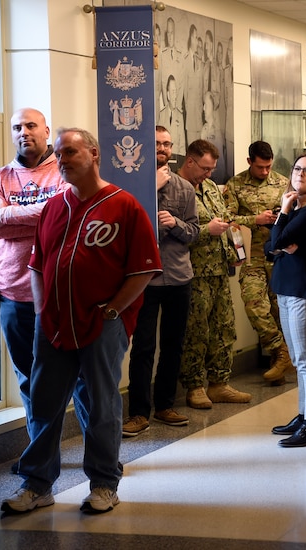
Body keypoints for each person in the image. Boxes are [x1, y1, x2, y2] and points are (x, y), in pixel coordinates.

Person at [1, 127, 162, 515]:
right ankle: (37, 484)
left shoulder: (125, 206)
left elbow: (144, 269)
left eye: (70, 151)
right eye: (59, 153)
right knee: (44, 404)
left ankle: (105, 484)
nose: (63, 160)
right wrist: (42, 312)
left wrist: (113, 311)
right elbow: (37, 265)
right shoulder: (55, 207)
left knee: (102, 404)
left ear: (93, 153)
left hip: (102, 324)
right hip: (53, 325)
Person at [0, 108, 70, 449]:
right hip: (11, 293)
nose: (24, 132)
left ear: (46, 131)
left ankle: (96, 458)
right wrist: (37, 217)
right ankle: (42, 457)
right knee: (29, 380)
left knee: (76, 378)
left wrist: (7, 216)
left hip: (60, 294)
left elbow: (62, 215)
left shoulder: (63, 172)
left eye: (31, 125)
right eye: (17, 127)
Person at [123, 127, 199, 437]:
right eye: (156, 144)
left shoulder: (185, 189)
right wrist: (151, 202)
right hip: (145, 281)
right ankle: (139, 413)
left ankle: (165, 404)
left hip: (179, 278)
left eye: (167, 144)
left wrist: (176, 223)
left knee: (173, 345)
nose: (163, 149)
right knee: (143, 347)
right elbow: (126, 228)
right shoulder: (130, 186)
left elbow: (194, 231)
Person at [178, 140, 252, 408]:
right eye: (205, 168)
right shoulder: (176, 189)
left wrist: (239, 252)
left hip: (220, 269)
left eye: (212, 169)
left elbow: (228, 222)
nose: (209, 174)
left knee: (223, 328)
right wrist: (205, 229)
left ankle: (220, 383)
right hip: (194, 272)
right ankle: (194, 386)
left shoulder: (209, 188)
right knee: (196, 332)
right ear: (190, 162)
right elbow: (173, 233)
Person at [265, 154, 306, 447]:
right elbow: (271, 247)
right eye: (296, 169)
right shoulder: (296, 211)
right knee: (297, 359)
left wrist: (282, 211)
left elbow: (277, 241)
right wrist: (280, 240)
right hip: (287, 288)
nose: (300, 174)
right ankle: (304, 414)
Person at [224, 141, 295, 385]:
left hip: (280, 254)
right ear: (249, 162)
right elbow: (227, 217)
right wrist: (255, 219)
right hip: (253, 255)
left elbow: (297, 213)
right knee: (254, 303)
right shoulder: (236, 184)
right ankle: (280, 351)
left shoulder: (282, 182)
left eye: (268, 167)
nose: (265, 172)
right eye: (260, 167)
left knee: (279, 309)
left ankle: (280, 362)